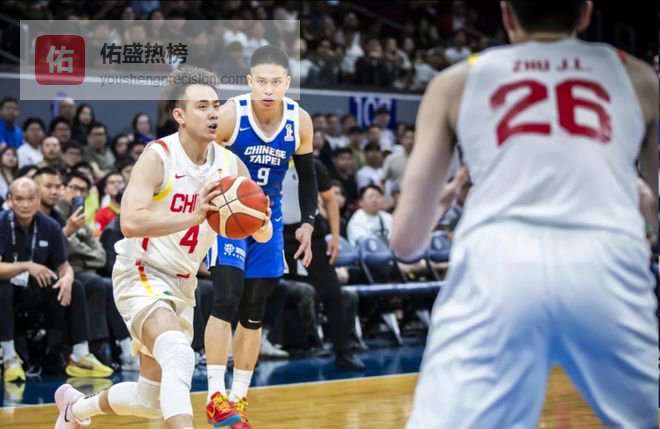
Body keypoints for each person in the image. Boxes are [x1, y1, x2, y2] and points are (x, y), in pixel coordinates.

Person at [391, 2, 658, 428]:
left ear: (507, 15)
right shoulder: (638, 76)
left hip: (497, 264)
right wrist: (640, 208)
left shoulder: (456, 81)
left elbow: (406, 243)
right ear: (585, 14)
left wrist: (445, 200)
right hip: (608, 259)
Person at [52, 65, 270, 429]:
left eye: (216, 105)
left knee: (149, 400)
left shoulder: (231, 166)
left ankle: (75, 409)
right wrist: (194, 215)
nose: (213, 114)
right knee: (180, 356)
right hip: (142, 271)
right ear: (179, 115)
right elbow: (130, 221)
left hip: (183, 283)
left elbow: (259, 236)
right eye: (202, 106)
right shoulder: (159, 156)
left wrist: (260, 222)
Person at [205, 45, 317, 429]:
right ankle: (215, 396)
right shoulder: (230, 115)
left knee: (253, 310)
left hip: (269, 220)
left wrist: (308, 222)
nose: (268, 89)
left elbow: (308, 177)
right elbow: (201, 160)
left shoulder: (299, 121)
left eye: (276, 82)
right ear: (250, 81)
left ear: (287, 83)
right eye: (262, 82)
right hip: (227, 217)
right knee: (225, 298)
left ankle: (239, 399)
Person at [281, 156, 365, 370]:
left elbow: (330, 199)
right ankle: (256, 349)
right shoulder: (269, 157)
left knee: (332, 291)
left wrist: (335, 237)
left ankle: (344, 351)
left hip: (311, 230)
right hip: (277, 231)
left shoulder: (313, 164)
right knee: (264, 287)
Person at [0, 178, 75, 382]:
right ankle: (9, 358)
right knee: (3, 289)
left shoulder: (50, 226)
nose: (25, 204)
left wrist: (68, 278)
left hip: (35, 289)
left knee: (71, 286)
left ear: (38, 200)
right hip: (7, 288)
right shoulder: (1, 223)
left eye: (30, 198)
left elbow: (64, 266)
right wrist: (27, 265)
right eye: (19, 199)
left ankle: (68, 354)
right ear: (10, 200)